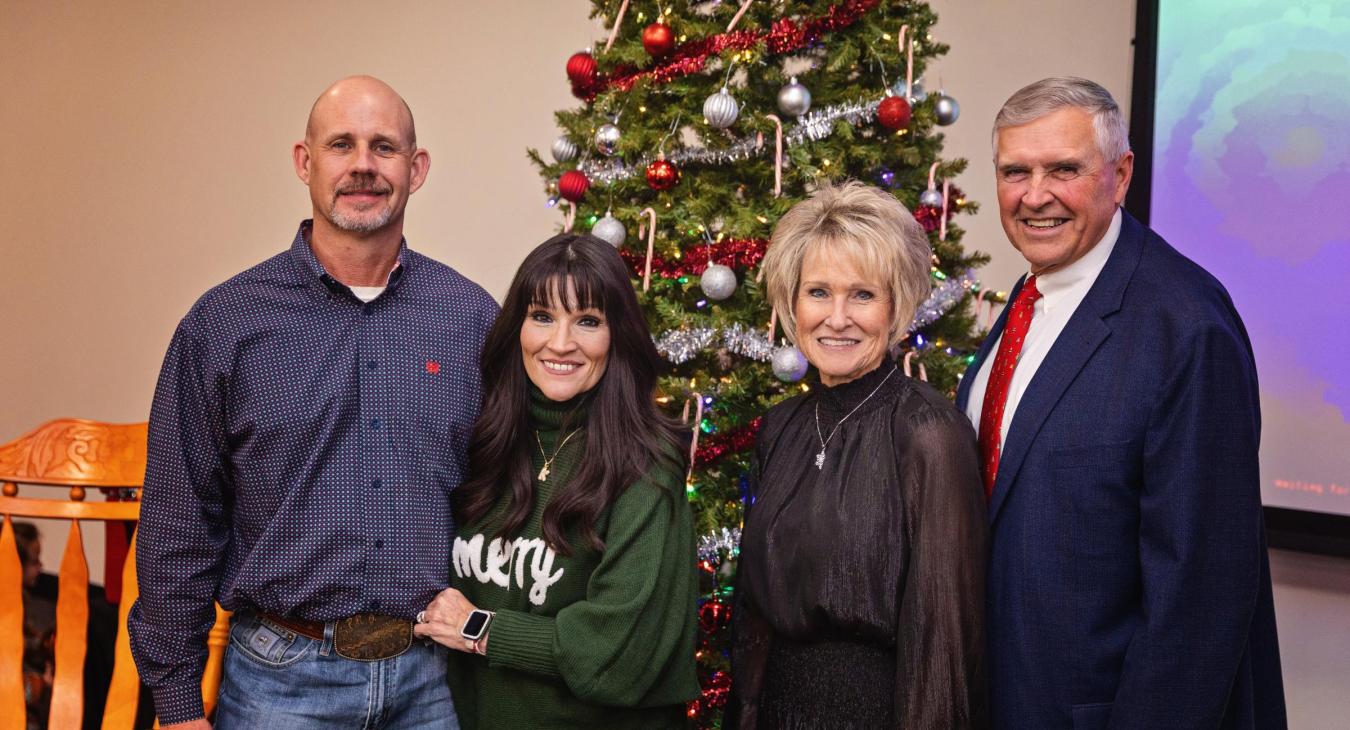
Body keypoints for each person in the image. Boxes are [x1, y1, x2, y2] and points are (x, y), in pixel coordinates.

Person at [127, 75, 499, 729]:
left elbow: (512, 493)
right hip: (281, 680)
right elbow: (178, 526)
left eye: (383, 147)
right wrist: (178, 704)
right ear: (305, 162)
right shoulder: (226, 325)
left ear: (417, 170)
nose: (363, 165)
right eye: (341, 145)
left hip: (437, 680)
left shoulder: (470, 320)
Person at [957, 77, 1286, 729]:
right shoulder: (1026, 302)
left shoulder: (1186, 326)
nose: (1035, 196)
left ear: (1121, 172)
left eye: (1064, 170)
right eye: (1014, 171)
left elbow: (1201, 600)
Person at [413, 233, 700, 729]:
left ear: (618, 336)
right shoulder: (483, 440)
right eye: (542, 316)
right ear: (517, 327)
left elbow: (618, 653)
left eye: (587, 321)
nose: (560, 343)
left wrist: (481, 629)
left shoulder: (647, 466)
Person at [729, 181, 989, 728]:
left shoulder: (929, 432)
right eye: (818, 292)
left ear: (896, 307)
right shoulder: (780, 428)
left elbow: (945, 646)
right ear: (790, 302)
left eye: (863, 295)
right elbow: (752, 620)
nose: (837, 317)